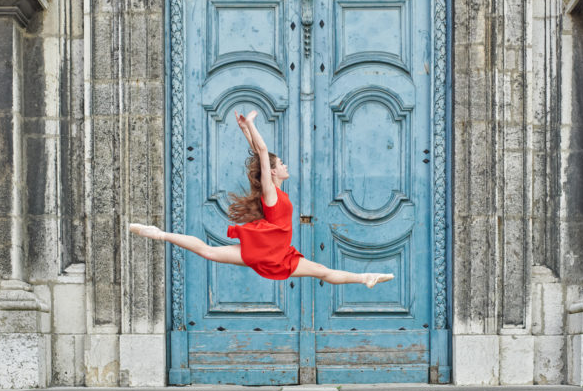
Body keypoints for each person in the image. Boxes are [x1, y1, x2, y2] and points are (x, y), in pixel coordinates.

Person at [129, 110, 394, 288]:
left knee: (322, 271)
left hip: (273, 252)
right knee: (322, 271)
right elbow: (263, 151)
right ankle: (158, 234)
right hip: (273, 253)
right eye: (282, 164)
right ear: (274, 171)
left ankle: (365, 277)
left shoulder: (275, 191)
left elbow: (259, 153)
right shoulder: (270, 193)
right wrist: (252, 126)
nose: (286, 166)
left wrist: (246, 130)